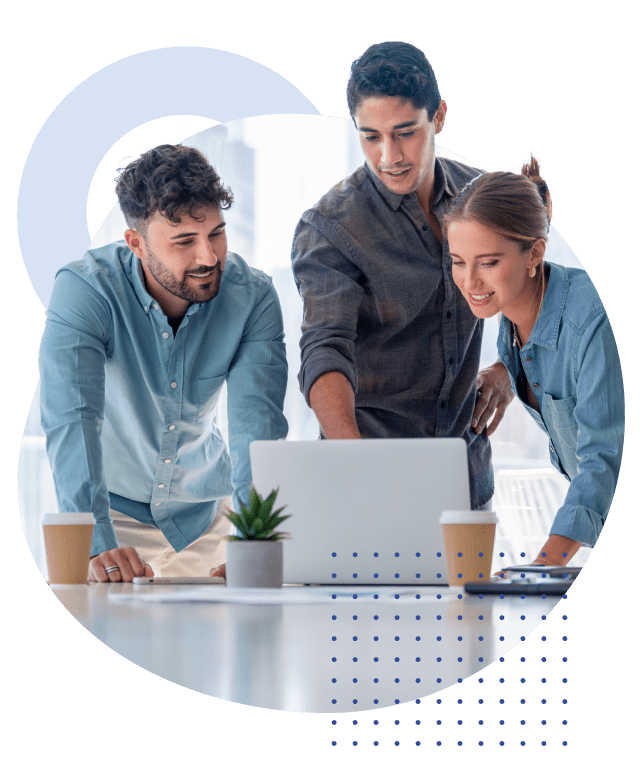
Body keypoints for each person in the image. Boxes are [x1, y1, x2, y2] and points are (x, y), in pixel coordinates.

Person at [39, 144, 288, 582]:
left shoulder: (253, 298)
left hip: (208, 520)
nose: (208, 257)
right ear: (136, 242)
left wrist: (254, 539)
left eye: (215, 233)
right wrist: (96, 543)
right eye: (184, 241)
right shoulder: (85, 291)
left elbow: (257, 428)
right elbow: (72, 421)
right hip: (113, 520)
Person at [291, 41, 513, 510]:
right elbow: (325, 348)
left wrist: (508, 366)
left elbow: (529, 291)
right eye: (370, 136)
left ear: (439, 118)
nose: (388, 155)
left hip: (466, 480)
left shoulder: (483, 197)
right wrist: (357, 464)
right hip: (366, 479)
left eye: (405, 132)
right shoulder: (331, 227)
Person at [444, 154, 624, 565]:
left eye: (488, 263)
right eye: (458, 262)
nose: (470, 282)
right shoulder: (512, 322)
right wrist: (505, 369)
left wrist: (542, 568)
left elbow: (603, 460)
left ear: (534, 254)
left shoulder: (594, 320)